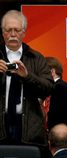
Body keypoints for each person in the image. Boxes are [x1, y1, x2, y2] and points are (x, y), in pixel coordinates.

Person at [0, 10, 53, 158]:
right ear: (2, 32)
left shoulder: (36, 57)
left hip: (29, 130)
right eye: (8, 30)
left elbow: (48, 88)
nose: (12, 34)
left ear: (24, 33)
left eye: (16, 30)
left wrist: (28, 76)